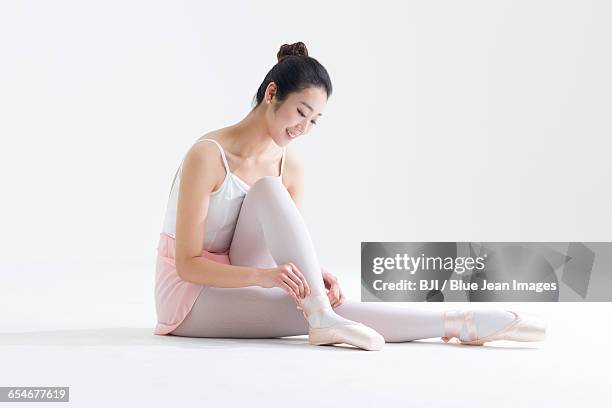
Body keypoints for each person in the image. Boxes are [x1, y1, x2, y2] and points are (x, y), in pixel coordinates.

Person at [154, 41, 547, 351]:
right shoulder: (208, 155)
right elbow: (188, 266)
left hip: (245, 278)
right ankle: (455, 323)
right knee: (308, 312)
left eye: (314, 120)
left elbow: (280, 247)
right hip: (191, 298)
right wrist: (267, 277)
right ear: (272, 93)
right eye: (300, 112)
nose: (304, 128)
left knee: (282, 219)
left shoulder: (289, 167)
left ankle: (337, 316)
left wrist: (311, 274)